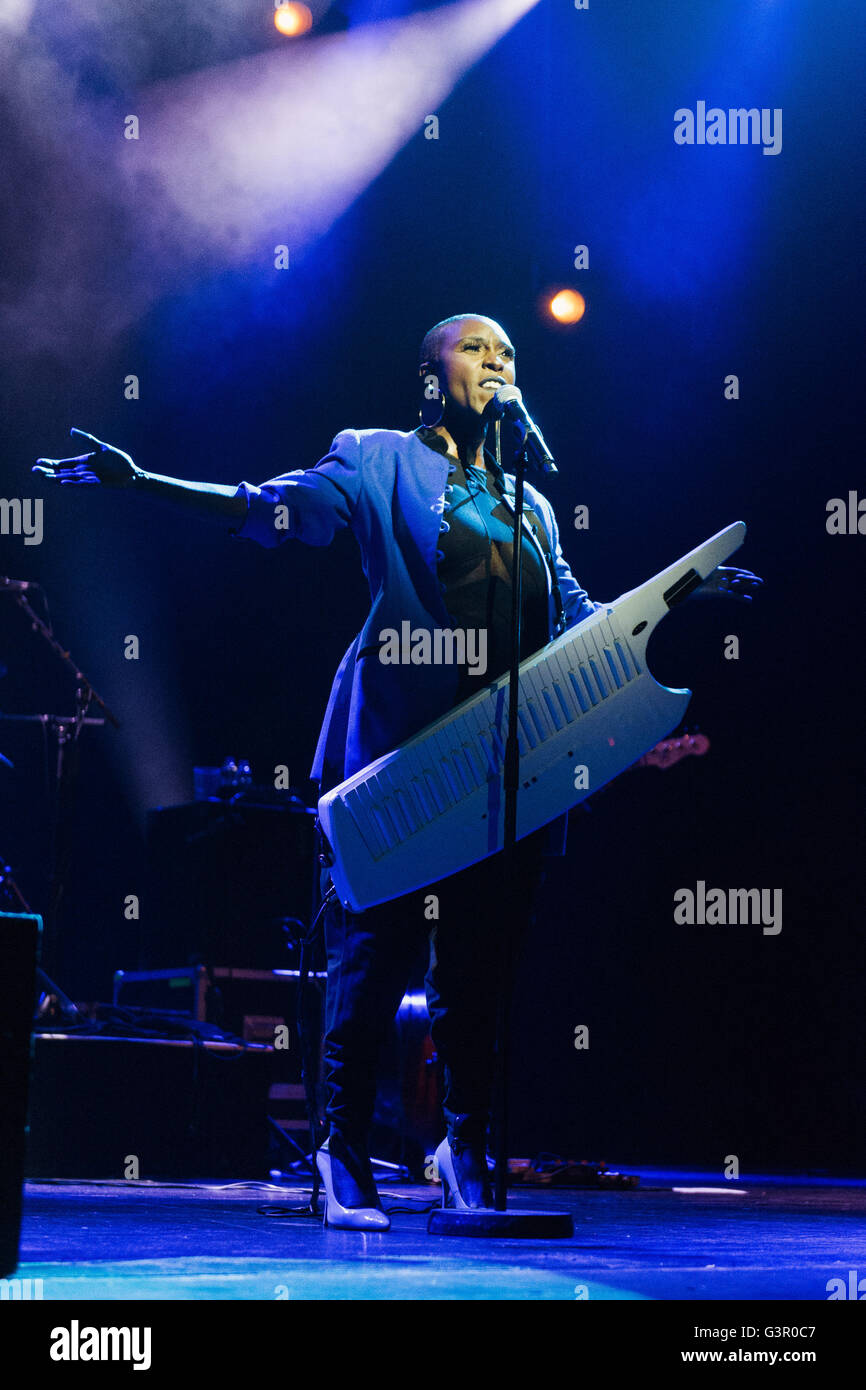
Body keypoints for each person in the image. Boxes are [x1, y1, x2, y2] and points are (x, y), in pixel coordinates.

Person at [34, 313, 761, 1229]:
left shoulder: (531, 505)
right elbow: (276, 506)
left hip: (512, 770)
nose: (497, 361)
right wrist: (144, 482)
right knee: (374, 958)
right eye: (476, 349)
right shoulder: (378, 459)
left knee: (478, 969)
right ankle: (341, 1153)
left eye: (509, 353)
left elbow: (583, 620)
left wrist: (683, 594)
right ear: (430, 375)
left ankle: (462, 1145)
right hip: (405, 757)